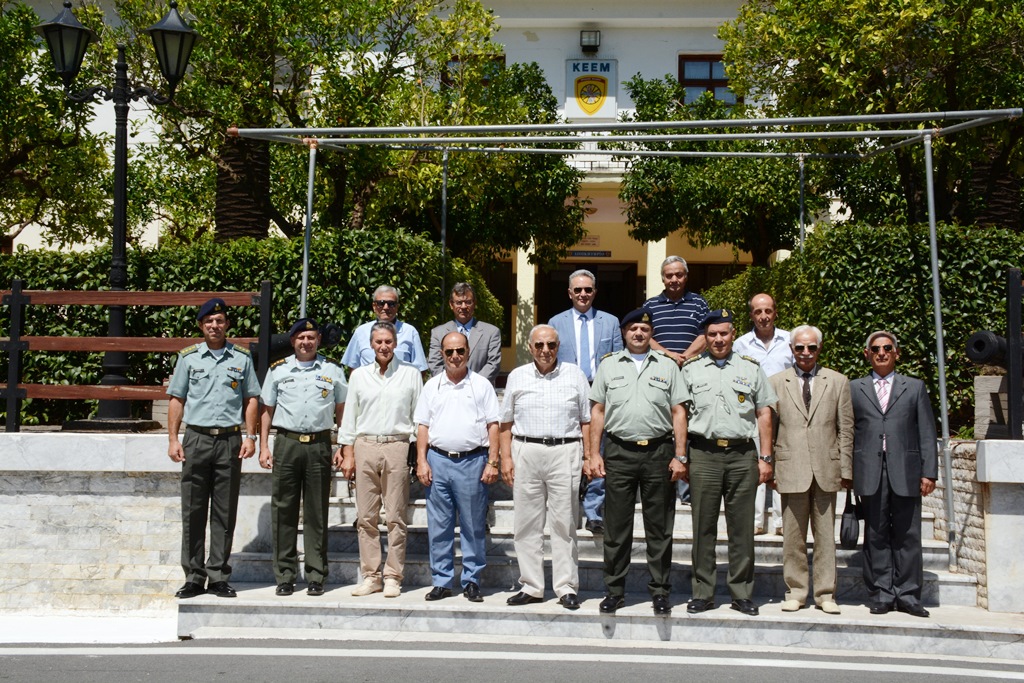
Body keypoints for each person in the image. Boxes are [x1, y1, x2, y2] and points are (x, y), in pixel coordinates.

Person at [589, 308, 687, 616]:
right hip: (619, 452)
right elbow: (598, 412)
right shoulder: (609, 366)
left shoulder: (668, 366)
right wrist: (593, 453)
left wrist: (680, 455)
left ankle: (659, 591)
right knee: (617, 527)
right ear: (624, 333)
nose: (638, 334)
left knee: (659, 527)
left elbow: (679, 413)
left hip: (658, 452)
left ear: (651, 333)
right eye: (632, 329)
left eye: (644, 329)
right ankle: (614, 591)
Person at [679, 309, 776, 617]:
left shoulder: (751, 368)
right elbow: (679, 413)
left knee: (742, 528)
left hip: (741, 455)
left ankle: (742, 593)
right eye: (712, 334)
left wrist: (766, 457)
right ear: (704, 338)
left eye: (723, 333)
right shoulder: (691, 369)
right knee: (703, 528)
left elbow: (764, 413)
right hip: (704, 455)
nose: (718, 339)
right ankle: (703, 592)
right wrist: (681, 456)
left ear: (733, 334)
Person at [167, 297, 260, 599]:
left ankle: (218, 575)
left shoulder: (241, 358)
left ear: (227, 325)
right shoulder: (189, 358)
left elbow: (251, 400)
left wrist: (251, 437)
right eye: (209, 321)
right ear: (201, 325)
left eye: (220, 321)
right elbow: (176, 399)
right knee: (193, 510)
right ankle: (194, 576)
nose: (215, 326)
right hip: (196, 439)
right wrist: (172, 439)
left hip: (230, 441)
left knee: (224, 511)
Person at [499, 325, 591, 610]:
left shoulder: (575, 375)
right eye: (539, 345)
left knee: (564, 523)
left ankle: (566, 587)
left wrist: (589, 457)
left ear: (558, 345)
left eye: (551, 345)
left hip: (565, 450)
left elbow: (586, 420)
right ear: (530, 347)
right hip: (527, 450)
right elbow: (505, 423)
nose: (545, 351)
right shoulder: (517, 376)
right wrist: (505, 458)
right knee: (526, 523)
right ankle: (532, 586)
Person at [850, 330, 938, 618]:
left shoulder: (914, 387)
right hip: (870, 470)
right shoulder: (854, 388)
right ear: (867, 354)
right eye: (875, 349)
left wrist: (929, 472)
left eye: (887, 348)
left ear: (896, 353)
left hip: (907, 470)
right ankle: (881, 593)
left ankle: (909, 594)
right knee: (875, 534)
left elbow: (926, 431)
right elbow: (848, 432)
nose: (882, 353)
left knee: (908, 535)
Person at [259, 318, 347, 597]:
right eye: (300, 338)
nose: (305, 342)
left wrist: (343, 445)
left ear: (318, 340)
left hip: (320, 444)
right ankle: (284, 575)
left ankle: (316, 574)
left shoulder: (333, 369)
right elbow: (266, 410)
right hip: (287, 443)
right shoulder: (278, 370)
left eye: (310, 337)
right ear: (292, 341)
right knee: (283, 510)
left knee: (316, 513)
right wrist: (263, 445)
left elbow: (342, 409)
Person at [769, 325, 853, 615]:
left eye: (811, 347)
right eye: (799, 348)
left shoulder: (838, 381)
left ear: (820, 349)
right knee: (792, 536)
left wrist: (846, 467)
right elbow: (770, 427)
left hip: (826, 468)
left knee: (826, 537)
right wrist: (769, 463)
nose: (805, 353)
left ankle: (825, 593)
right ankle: (796, 590)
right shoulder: (776, 382)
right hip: (791, 467)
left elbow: (846, 428)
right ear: (791, 349)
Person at [337, 322, 423, 598]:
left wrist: (416, 452)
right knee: (366, 517)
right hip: (365, 445)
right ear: (371, 345)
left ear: (395, 343)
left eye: (388, 341)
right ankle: (371, 575)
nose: (384, 347)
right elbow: (350, 417)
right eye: (378, 342)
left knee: (396, 516)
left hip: (397, 446)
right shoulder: (359, 376)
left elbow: (418, 417)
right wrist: (347, 451)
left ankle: (393, 576)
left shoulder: (411, 375)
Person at [414, 331, 500, 602]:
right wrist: (421, 460)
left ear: (468, 353)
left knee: (473, 525)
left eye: (460, 351)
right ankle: (442, 580)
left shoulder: (481, 385)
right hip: (438, 462)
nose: (454, 357)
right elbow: (423, 426)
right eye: (449, 352)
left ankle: (472, 580)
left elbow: (493, 425)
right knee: (439, 526)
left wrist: (493, 461)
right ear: (442, 354)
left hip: (472, 462)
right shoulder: (432, 386)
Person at [548, 269, 622, 534]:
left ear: (595, 292)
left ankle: (593, 511)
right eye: (577, 290)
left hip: (600, 394)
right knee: (570, 451)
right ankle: (567, 509)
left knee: (596, 450)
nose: (583, 294)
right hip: (567, 393)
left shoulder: (610, 322)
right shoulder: (556, 322)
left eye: (588, 290)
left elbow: (617, 360)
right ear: (569, 293)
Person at [643, 255, 710, 506]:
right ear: (662, 277)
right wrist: (669, 355)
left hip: (692, 372)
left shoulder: (699, 303)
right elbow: (644, 335)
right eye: (669, 275)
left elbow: (707, 334)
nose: (674, 279)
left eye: (679, 274)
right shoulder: (650, 304)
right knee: (662, 426)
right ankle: (663, 481)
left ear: (686, 276)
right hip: (660, 373)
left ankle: (688, 488)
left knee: (689, 427)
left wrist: (685, 357)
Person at [733, 293, 793, 536]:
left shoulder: (790, 340)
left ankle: (781, 521)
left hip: (786, 409)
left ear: (775, 312)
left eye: (768, 311)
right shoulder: (740, 344)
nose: (763, 316)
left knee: (783, 462)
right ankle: (756, 521)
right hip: (753, 411)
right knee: (757, 460)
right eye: (758, 312)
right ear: (751, 315)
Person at [428, 283, 502, 385]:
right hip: (448, 393)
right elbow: (435, 365)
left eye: (468, 302)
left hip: (479, 392)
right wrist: (452, 384)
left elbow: (493, 365)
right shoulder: (438, 333)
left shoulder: (491, 332)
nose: (463, 306)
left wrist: (471, 385)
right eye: (459, 302)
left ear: (474, 303)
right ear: (451, 304)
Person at [342, 285, 427, 371]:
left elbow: (420, 369)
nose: (386, 307)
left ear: (397, 307)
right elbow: (353, 367)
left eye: (391, 304)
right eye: (381, 303)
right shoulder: (361, 332)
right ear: (374, 306)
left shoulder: (410, 332)